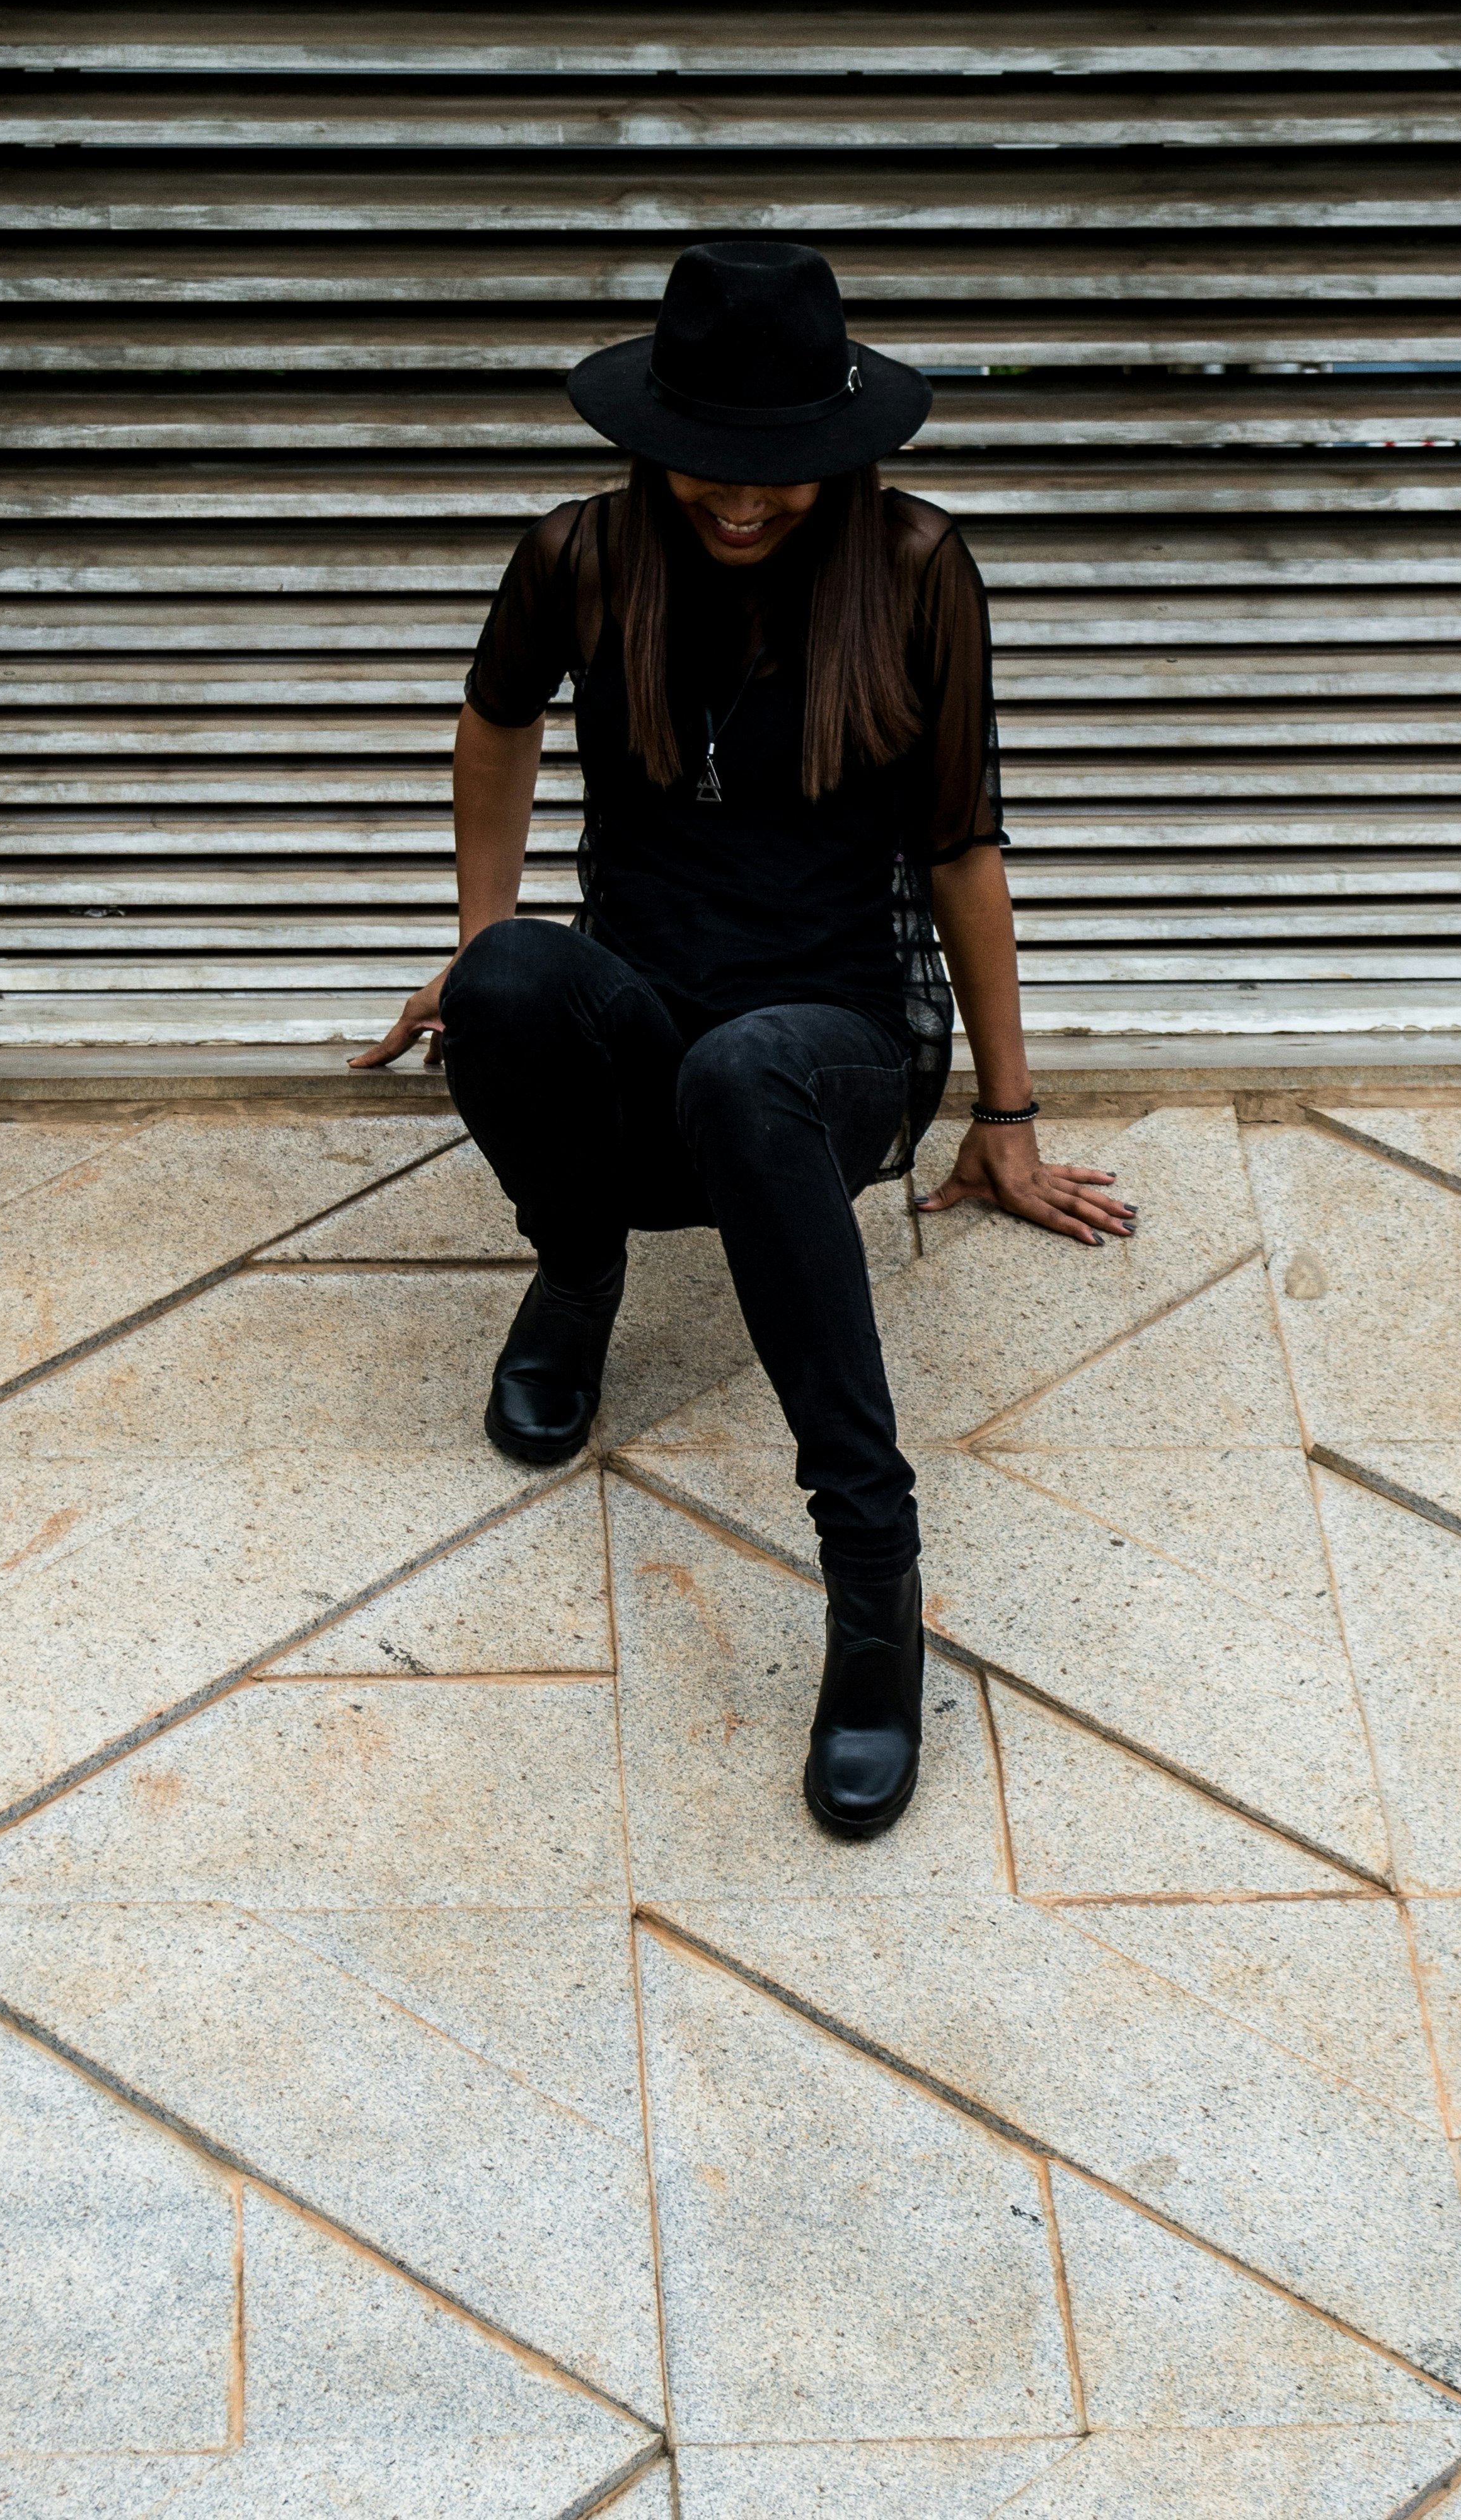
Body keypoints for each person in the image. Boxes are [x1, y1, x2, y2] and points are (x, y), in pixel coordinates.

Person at [354, 237, 1129, 1837]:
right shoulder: (578, 555)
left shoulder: (913, 570)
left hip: (828, 1045)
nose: (744, 499)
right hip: (648, 1017)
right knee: (507, 985)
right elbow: (495, 721)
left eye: (783, 469)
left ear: (842, 453)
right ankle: (579, 1272)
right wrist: (481, 927)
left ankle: (874, 1582)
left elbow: (963, 845)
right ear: (652, 433)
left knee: (748, 1067)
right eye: (711, 462)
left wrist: (1008, 1112)